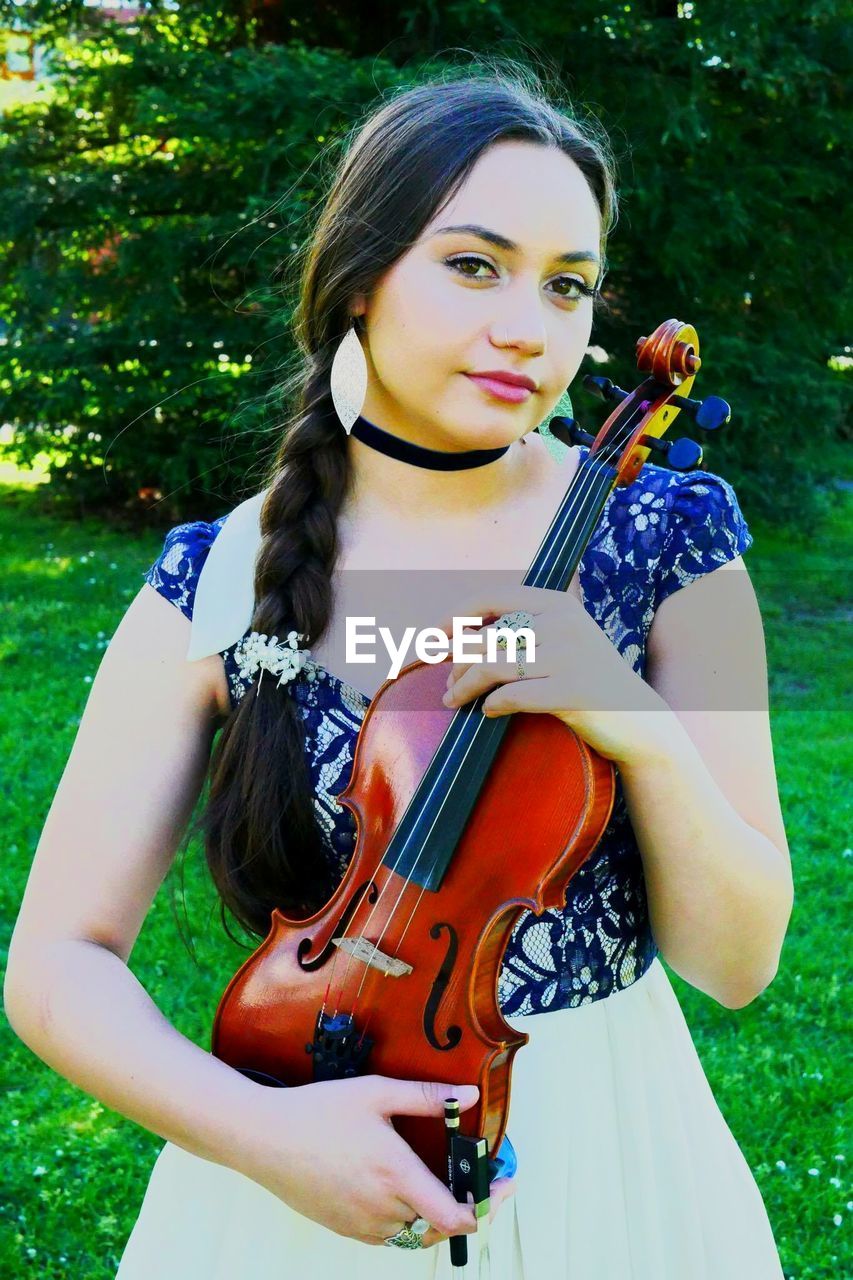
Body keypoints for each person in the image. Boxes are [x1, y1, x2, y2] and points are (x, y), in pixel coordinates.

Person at [5, 68, 794, 1279]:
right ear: (359, 279)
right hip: (297, 1150)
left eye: (567, 284)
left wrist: (629, 718)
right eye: (474, 265)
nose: (530, 325)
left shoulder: (666, 536)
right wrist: (267, 1137)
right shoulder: (216, 573)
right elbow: (56, 965)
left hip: (605, 1155)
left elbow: (736, 963)